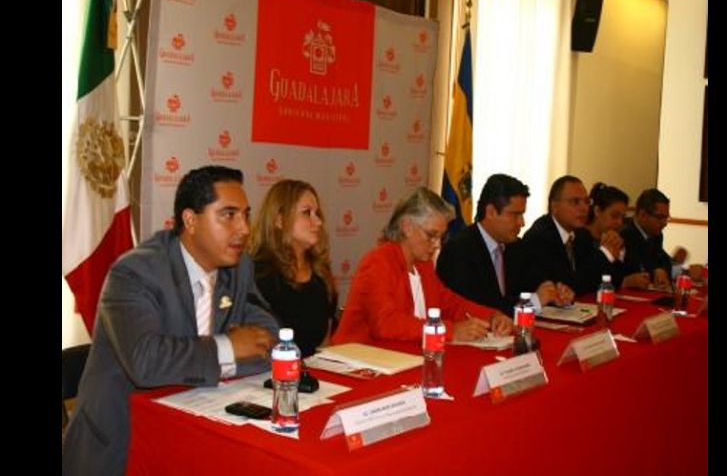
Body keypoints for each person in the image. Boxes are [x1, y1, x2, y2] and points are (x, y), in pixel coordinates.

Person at [62, 166, 280, 476]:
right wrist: (228, 349)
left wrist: (220, 357)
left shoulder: (239, 266)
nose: (244, 229)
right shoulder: (134, 272)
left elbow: (270, 339)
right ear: (190, 220)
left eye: (245, 215)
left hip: (191, 431)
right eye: (228, 215)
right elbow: (146, 363)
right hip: (119, 442)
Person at [332, 187, 513, 345]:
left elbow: (450, 303)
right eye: (431, 235)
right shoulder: (377, 262)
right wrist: (450, 331)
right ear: (407, 226)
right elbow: (386, 325)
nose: (436, 245)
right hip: (358, 363)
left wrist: (491, 316)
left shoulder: (423, 265)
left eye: (441, 237)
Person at [436, 174, 574, 314]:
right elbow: (477, 308)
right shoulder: (458, 250)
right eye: (515, 214)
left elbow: (535, 284)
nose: (522, 223)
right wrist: (534, 301)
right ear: (490, 212)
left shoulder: (516, 247)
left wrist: (555, 293)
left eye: (522, 215)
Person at [248, 179, 337, 357]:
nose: (318, 221)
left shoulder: (320, 272)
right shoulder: (257, 274)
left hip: (314, 375)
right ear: (279, 220)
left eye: (317, 213)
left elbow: (325, 342)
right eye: (307, 213)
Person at [519, 175, 611, 295]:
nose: (584, 208)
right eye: (575, 202)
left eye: (587, 201)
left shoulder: (582, 235)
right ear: (554, 207)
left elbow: (598, 281)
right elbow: (568, 285)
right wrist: (605, 254)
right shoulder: (539, 237)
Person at [582, 182, 651, 289]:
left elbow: (620, 273)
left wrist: (620, 254)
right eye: (614, 216)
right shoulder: (580, 238)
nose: (619, 222)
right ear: (597, 211)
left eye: (622, 217)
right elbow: (588, 280)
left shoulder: (615, 238)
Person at [619, 188, 675, 290]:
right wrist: (655, 271)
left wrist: (673, 266)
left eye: (666, 218)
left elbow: (664, 261)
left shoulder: (656, 235)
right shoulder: (625, 234)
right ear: (643, 214)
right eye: (660, 217)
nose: (665, 223)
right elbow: (637, 267)